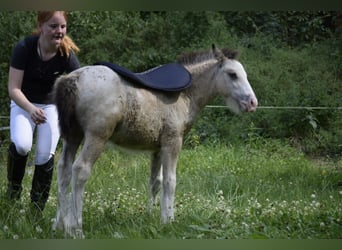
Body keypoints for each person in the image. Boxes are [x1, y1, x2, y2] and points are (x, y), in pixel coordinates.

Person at [6, 11, 80, 213]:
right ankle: (12, 194)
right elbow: (13, 89)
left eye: (63, 26)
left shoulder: (66, 54)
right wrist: (30, 109)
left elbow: (80, 85)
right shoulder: (24, 48)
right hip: (24, 103)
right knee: (22, 145)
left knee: (44, 155)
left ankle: (36, 210)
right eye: (53, 26)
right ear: (40, 27)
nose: (59, 31)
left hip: (50, 107)